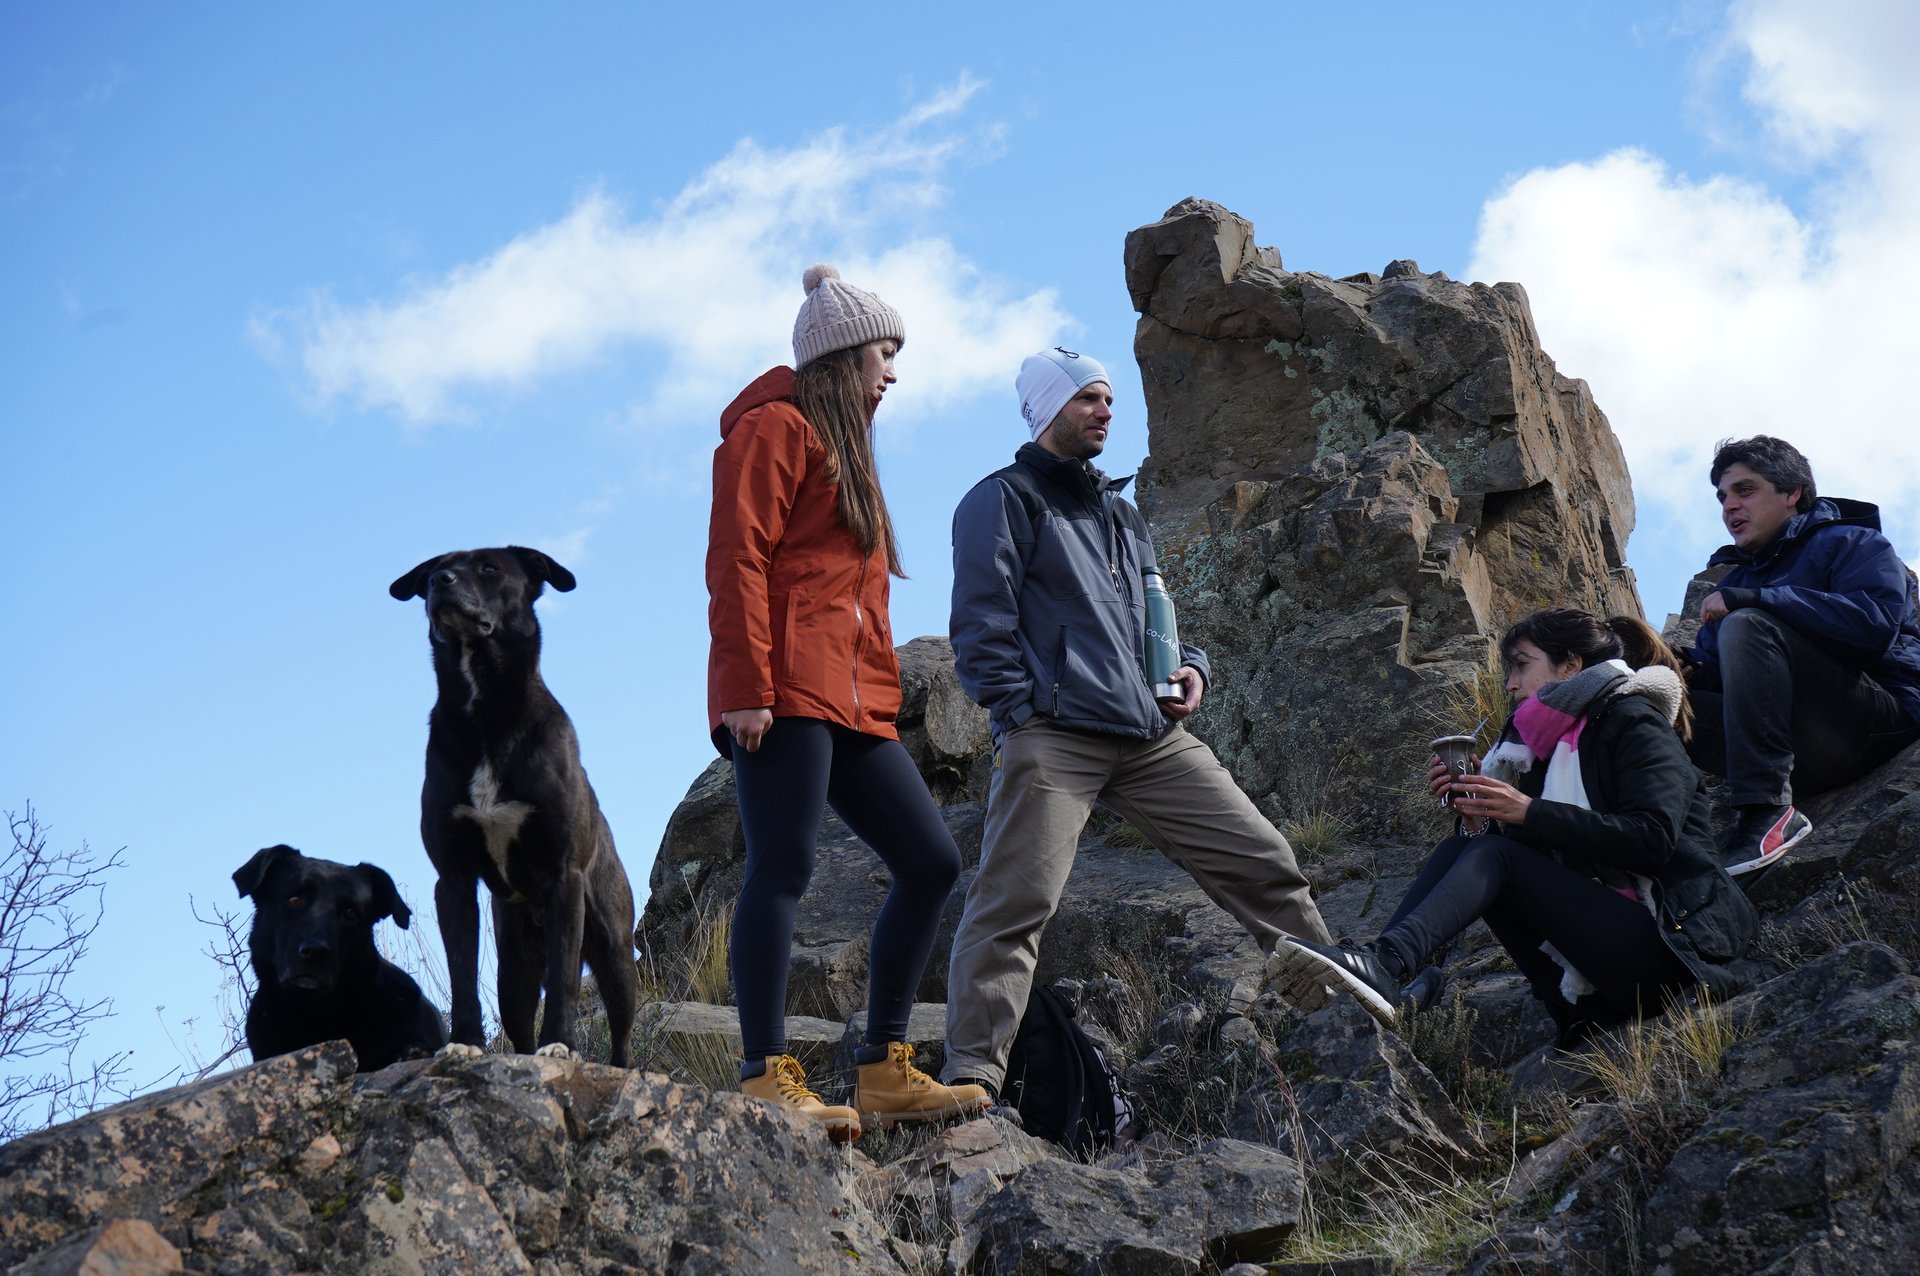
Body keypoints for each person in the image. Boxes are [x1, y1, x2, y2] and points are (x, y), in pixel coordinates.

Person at [939, 346, 1335, 1102]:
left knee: (1262, 859)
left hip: (1151, 737)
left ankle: (1340, 1013)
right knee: (1014, 906)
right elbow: (979, 626)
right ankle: (972, 1080)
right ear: (1047, 409)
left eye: (1109, 399)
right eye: (1088, 397)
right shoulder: (1003, 499)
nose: (1105, 410)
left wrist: (1191, 668)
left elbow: (1150, 621)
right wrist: (1023, 714)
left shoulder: (1121, 512)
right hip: (1055, 737)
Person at [706, 265, 988, 1140]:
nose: (893, 372)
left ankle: (882, 1070)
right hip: (785, 691)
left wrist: (880, 696)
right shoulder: (774, 429)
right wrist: (746, 689)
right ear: (839, 356)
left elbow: (853, 595)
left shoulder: (847, 445)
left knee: (933, 860)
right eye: (883, 352)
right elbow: (737, 560)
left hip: (853, 700)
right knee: (782, 868)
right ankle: (763, 1074)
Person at [1271, 609, 1760, 1045]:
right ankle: (1387, 973)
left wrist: (1526, 811)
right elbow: (1536, 870)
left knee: (1494, 855)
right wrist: (1479, 816)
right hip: (1602, 978)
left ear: (1571, 665)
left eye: (1521, 665)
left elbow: (1652, 840)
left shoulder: (1634, 721)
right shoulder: (1539, 753)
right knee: (1463, 848)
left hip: (1677, 954)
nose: (1509, 684)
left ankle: (1385, 966)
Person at [1681, 436, 1920, 875]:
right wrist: (1686, 671)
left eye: (1745, 490)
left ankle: (1767, 812)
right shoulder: (1734, 583)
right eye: (1723, 497)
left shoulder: (1854, 542)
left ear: (1792, 493)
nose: (1729, 507)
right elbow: (1734, 680)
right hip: (1798, 753)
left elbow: (1875, 627)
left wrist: (1759, 599)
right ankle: (1651, 847)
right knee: (1650, 700)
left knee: (1747, 623)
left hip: (1874, 724)